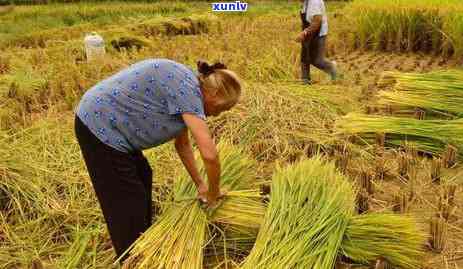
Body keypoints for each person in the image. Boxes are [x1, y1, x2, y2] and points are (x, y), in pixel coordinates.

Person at [73, 58, 242, 262]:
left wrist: (201, 185)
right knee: (128, 200)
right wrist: (214, 193)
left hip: (114, 128)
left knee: (143, 175)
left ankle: (143, 240)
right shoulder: (188, 92)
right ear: (214, 94)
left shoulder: (188, 89)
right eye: (221, 108)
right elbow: (210, 156)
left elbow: (183, 145)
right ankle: (132, 258)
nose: (217, 114)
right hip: (100, 124)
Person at [296, 0, 337, 84]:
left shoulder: (315, 2)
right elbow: (306, 20)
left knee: (317, 60)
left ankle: (334, 71)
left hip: (318, 33)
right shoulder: (305, 2)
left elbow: (317, 21)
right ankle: (305, 80)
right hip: (309, 31)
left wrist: (304, 33)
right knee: (304, 56)